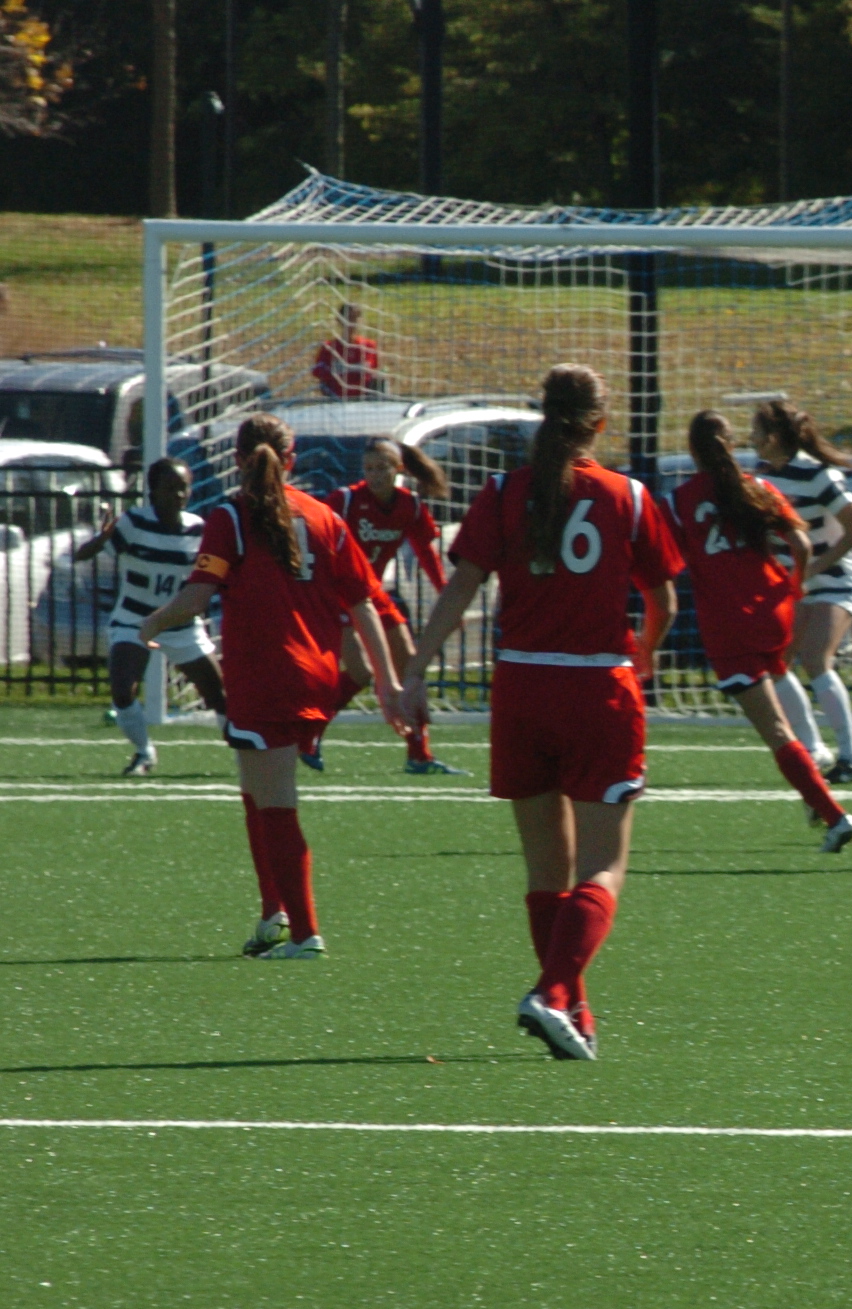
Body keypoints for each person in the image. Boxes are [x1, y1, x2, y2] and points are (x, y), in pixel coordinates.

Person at [399, 365, 682, 1061]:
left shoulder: (503, 492)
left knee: (544, 872)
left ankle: (573, 1011)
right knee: (603, 867)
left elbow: (460, 587)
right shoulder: (629, 496)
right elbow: (664, 600)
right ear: (600, 424)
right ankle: (556, 994)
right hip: (598, 689)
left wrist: (416, 669)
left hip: (522, 688)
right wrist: (645, 651)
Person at [138, 413, 403, 959]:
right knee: (257, 790)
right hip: (314, 674)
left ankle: (304, 933)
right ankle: (273, 915)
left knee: (276, 801)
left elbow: (196, 597)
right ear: (291, 461)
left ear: (237, 460)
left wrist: (151, 624)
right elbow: (364, 604)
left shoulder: (231, 517)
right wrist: (389, 683)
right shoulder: (325, 516)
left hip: (265, 674)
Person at [671, 408, 852, 851]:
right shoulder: (758, 487)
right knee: (778, 675)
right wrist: (794, 587)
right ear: (732, 444)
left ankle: (834, 814)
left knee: (775, 731)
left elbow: (670, 562)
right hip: (773, 611)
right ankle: (814, 775)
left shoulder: (680, 500)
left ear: (693, 450)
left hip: (729, 623)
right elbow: (802, 543)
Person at [73, 457, 227, 775]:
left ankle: (245, 753)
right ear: (153, 491)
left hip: (180, 624)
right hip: (133, 620)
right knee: (122, 691)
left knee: (219, 694)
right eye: (170, 488)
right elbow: (82, 555)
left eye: (184, 487)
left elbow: (213, 575)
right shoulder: (133, 523)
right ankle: (144, 754)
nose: (179, 494)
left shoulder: (199, 530)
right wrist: (101, 539)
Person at [327, 437, 465, 775]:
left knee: (410, 666)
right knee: (361, 672)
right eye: (369, 468)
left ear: (398, 469)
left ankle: (420, 754)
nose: (374, 475)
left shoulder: (410, 506)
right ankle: (307, 733)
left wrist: (446, 596)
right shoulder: (346, 501)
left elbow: (426, 553)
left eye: (382, 468)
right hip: (338, 595)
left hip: (373, 594)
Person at [750, 397, 852, 784]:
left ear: (772, 437)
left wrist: (815, 567)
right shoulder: (761, 476)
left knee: (816, 658)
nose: (750, 438)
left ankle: (850, 757)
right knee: (776, 663)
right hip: (798, 582)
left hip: (836, 579)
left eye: (755, 431)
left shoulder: (818, 475)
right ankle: (814, 748)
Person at [311, 301, 385, 400]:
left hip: (364, 400)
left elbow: (374, 370)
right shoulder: (329, 348)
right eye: (348, 318)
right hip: (337, 398)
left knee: (380, 379)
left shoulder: (369, 346)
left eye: (355, 318)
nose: (351, 323)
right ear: (339, 320)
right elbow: (319, 374)